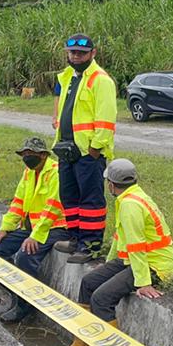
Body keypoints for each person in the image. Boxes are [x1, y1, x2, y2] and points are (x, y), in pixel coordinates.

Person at [52, 158, 173, 346]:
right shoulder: (129, 197)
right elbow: (121, 238)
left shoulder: (130, 205)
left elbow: (137, 246)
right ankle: (84, 344)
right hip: (133, 260)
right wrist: (108, 266)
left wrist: (143, 282)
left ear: (110, 184)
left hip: (154, 265)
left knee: (101, 298)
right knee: (89, 282)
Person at [50, 34, 117, 264]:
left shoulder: (101, 80)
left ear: (92, 53)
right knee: (69, 196)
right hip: (67, 149)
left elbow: (106, 118)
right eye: (73, 53)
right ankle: (75, 238)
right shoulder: (68, 77)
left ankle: (90, 245)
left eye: (81, 53)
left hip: (88, 152)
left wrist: (95, 148)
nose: (76, 57)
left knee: (90, 199)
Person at [0, 137, 69, 323]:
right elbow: (18, 202)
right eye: (24, 154)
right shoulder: (28, 173)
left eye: (30, 154)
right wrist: (5, 228)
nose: (26, 157)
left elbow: (53, 207)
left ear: (43, 155)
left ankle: (25, 306)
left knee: (25, 256)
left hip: (56, 227)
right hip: (33, 227)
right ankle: (16, 293)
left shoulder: (56, 172)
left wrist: (35, 236)